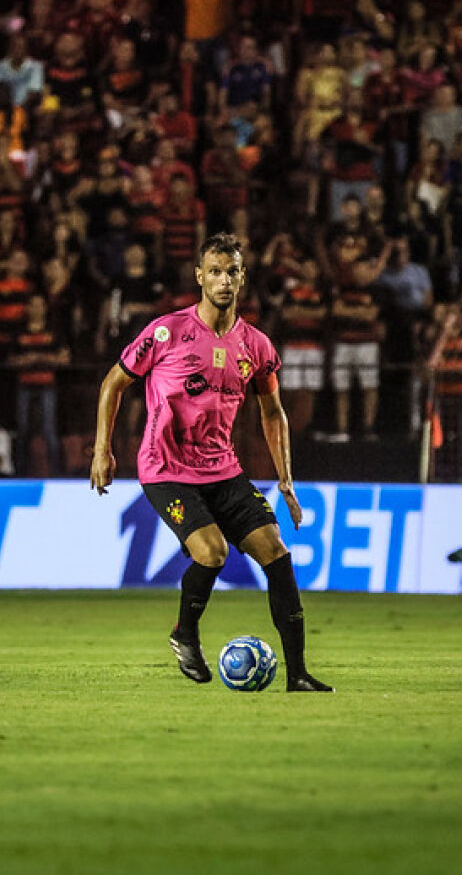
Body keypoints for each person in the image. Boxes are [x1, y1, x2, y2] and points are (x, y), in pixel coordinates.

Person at [89, 232, 332, 693]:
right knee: (212, 551)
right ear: (200, 276)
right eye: (215, 271)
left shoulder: (256, 346)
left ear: (243, 278)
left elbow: (272, 411)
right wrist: (102, 450)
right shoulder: (166, 332)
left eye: (232, 272)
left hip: (224, 470)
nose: (224, 280)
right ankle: (185, 633)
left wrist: (285, 480)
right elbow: (112, 384)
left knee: (277, 554)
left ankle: (298, 673)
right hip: (166, 470)